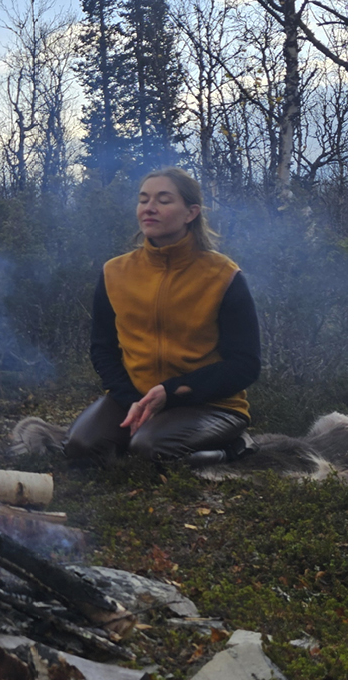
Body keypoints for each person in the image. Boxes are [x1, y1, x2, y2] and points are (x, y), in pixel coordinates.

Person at [69, 168, 261, 463]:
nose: (149, 208)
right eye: (143, 199)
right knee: (83, 447)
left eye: (163, 200)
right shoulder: (115, 273)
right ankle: (147, 435)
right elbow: (102, 349)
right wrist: (132, 400)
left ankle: (233, 447)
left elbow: (245, 365)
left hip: (211, 404)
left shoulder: (223, 276)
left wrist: (171, 392)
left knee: (150, 449)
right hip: (138, 398)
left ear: (190, 213)